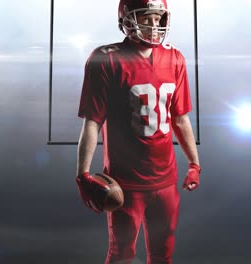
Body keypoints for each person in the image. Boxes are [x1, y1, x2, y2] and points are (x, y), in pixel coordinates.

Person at [75, 0, 201, 263]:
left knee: (163, 255)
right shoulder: (106, 59)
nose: (154, 26)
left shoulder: (175, 58)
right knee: (121, 254)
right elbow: (92, 123)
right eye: (146, 17)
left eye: (158, 19)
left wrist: (194, 164)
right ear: (127, 19)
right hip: (125, 182)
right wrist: (82, 175)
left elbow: (180, 119)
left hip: (166, 179)